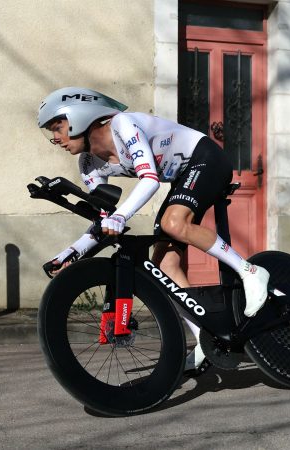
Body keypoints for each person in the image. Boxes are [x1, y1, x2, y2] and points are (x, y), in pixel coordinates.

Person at [37, 87, 271, 370]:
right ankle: (207, 340)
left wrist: (120, 217)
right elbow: (103, 219)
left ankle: (251, 272)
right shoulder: (87, 165)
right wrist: (71, 253)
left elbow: (149, 179)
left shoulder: (123, 125)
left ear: (80, 116)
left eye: (58, 127)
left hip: (206, 158)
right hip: (182, 176)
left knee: (175, 223)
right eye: (51, 131)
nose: (55, 138)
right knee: (163, 264)